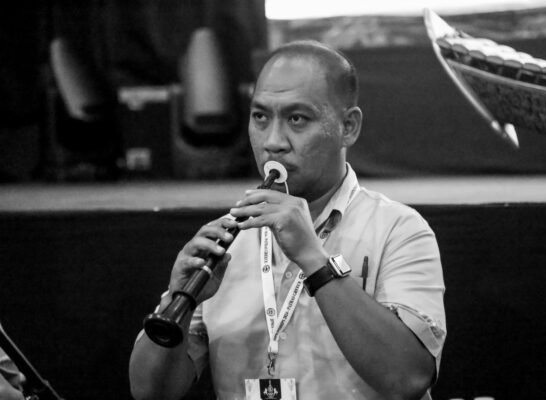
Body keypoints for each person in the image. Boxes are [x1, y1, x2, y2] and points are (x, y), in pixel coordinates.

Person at [129, 40, 446, 400]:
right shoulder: (227, 241)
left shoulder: (400, 231)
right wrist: (179, 301)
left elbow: (408, 379)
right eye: (260, 117)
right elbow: (148, 393)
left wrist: (315, 260)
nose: (273, 142)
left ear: (348, 127)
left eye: (297, 119)